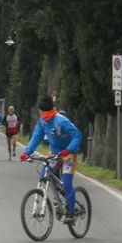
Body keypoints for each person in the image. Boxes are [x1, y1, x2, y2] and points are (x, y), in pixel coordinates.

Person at [20, 96, 82, 224]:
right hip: (54, 152)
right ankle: (58, 197)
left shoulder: (61, 120)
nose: (45, 118)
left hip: (68, 153)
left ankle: (71, 211)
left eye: (47, 116)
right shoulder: (42, 122)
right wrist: (27, 152)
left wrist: (69, 149)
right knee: (45, 175)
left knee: (66, 180)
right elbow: (36, 137)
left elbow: (77, 135)